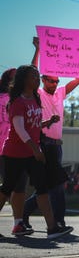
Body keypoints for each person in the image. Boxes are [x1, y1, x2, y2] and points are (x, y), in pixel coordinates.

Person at [0, 65, 72, 239]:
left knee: (42, 189)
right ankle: (47, 225)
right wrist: (35, 148)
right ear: (24, 80)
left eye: (38, 76)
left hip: (32, 153)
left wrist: (47, 122)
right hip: (15, 153)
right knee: (7, 189)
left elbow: (32, 126)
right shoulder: (17, 102)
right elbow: (19, 129)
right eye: (34, 76)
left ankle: (52, 228)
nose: (37, 79)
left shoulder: (34, 99)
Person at [23, 36, 79, 231]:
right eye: (51, 81)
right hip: (44, 143)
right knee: (56, 185)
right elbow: (31, 71)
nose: (55, 84)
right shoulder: (38, 93)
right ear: (43, 80)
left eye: (57, 81)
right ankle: (59, 221)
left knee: (50, 186)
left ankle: (24, 214)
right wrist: (39, 50)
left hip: (57, 145)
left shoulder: (60, 93)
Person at [0, 67, 31, 236]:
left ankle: (18, 224)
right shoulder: (14, 100)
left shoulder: (21, 101)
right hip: (9, 151)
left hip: (14, 151)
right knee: (9, 188)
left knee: (18, 188)